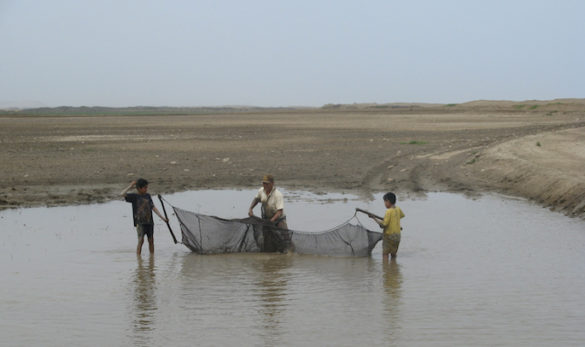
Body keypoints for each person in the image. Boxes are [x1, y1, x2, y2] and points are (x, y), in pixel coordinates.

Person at [121, 178, 168, 255]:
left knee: (151, 241)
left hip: (149, 222)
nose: (146, 189)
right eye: (145, 187)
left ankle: (151, 258)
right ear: (139, 188)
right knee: (141, 241)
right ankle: (139, 258)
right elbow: (122, 194)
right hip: (140, 223)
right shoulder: (134, 197)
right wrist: (130, 186)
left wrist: (162, 218)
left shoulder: (148, 196)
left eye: (147, 187)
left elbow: (153, 207)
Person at [248, 174, 290, 252]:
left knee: (285, 237)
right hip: (267, 218)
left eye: (267, 183)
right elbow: (256, 199)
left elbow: (279, 211)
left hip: (279, 219)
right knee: (267, 238)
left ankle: (288, 250)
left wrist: (272, 220)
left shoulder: (278, 195)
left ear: (272, 183)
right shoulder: (261, 191)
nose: (265, 185)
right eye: (263, 183)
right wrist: (251, 208)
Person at [369, 192, 405, 260]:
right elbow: (401, 216)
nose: (384, 204)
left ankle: (386, 268)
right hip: (397, 236)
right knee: (393, 253)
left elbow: (383, 225)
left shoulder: (388, 211)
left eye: (385, 202)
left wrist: (374, 218)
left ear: (388, 201)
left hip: (389, 236)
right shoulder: (398, 209)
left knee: (385, 253)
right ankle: (393, 267)